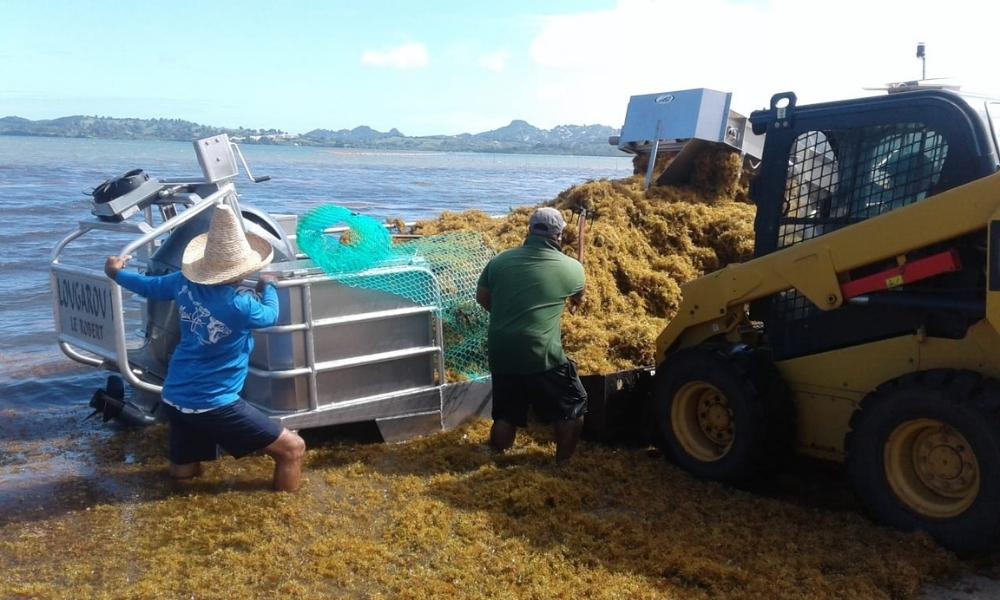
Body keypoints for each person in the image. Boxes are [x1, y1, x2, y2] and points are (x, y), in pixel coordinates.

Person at [104, 204, 306, 492]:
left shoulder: (182, 282)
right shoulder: (240, 305)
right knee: (292, 449)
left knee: (185, 467)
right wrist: (269, 287)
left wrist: (116, 274)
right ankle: (284, 509)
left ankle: (175, 503)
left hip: (174, 395)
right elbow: (270, 316)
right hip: (215, 403)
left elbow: (148, 286)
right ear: (243, 269)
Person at [476, 206, 587, 462]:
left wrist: (508, 313)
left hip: (500, 349)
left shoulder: (500, 260)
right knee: (573, 405)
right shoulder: (571, 268)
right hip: (541, 353)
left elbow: (482, 297)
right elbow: (578, 298)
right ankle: (563, 463)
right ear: (558, 236)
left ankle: (496, 456)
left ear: (529, 230)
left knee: (506, 414)